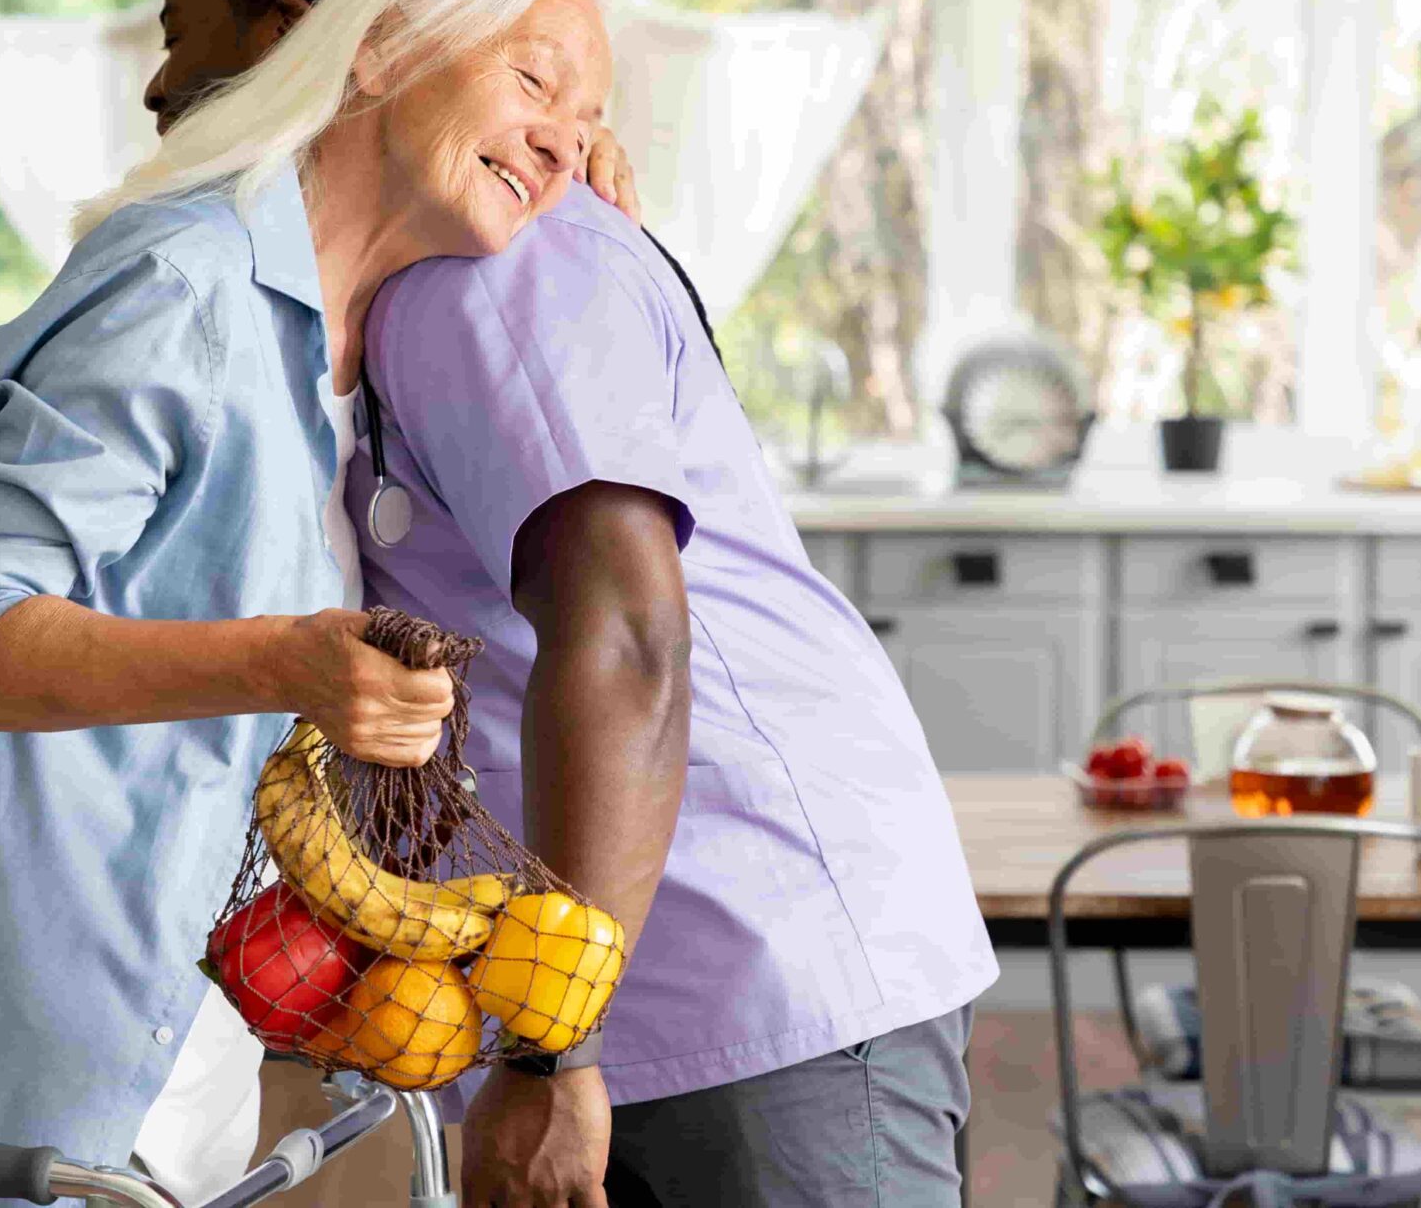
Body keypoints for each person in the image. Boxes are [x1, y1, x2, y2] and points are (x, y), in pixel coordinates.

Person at [0, 0, 616, 1208]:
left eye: (583, 116)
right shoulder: (182, 287)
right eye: (535, 80)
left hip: (160, 1000)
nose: (562, 136)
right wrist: (286, 658)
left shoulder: (349, 338)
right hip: (39, 1016)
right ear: (373, 53)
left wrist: (561, 171)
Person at [353, 183, 1000, 1207]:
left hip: (742, 956)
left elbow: (628, 644)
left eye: (180, 33)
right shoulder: (380, 272)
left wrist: (549, 1055)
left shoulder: (498, 268)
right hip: (613, 982)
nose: (164, 85)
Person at [146, 0, 640, 218]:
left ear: (286, 35)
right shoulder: (173, 278)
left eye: (175, 40)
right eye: (531, 81)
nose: (153, 90)